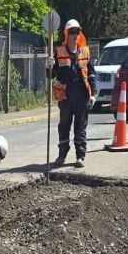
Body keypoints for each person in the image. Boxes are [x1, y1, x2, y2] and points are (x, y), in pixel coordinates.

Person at [45, 19, 96, 168]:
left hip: (81, 97)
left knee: (80, 127)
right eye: (72, 32)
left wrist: (93, 94)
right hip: (65, 97)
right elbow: (51, 75)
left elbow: (92, 74)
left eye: (77, 32)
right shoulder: (59, 52)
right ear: (67, 34)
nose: (75, 35)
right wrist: (48, 67)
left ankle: (80, 156)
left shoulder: (85, 52)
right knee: (64, 126)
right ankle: (62, 155)